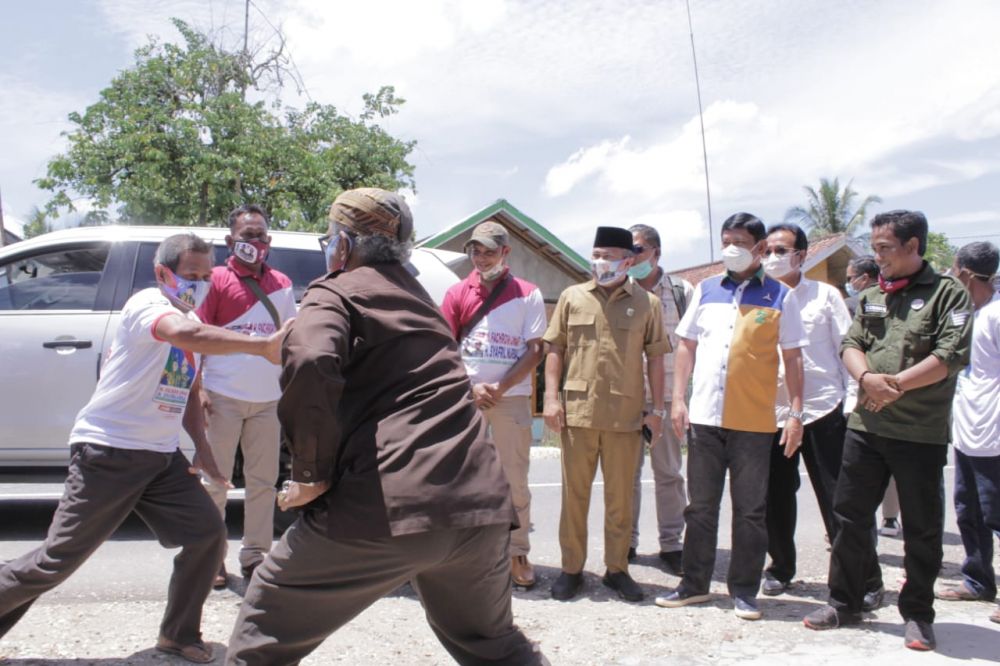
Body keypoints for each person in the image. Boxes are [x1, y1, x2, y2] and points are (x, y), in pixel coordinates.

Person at [225, 188, 546, 666]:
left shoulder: (334, 290)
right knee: (492, 646)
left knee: (267, 615)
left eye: (330, 238)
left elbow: (310, 358)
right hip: (480, 509)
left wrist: (310, 475)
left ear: (343, 244)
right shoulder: (424, 303)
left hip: (390, 505)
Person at [0, 233, 287, 664]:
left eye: (207, 275)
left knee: (207, 534)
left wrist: (203, 449)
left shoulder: (188, 317)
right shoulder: (149, 305)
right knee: (56, 561)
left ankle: (178, 635)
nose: (201, 283)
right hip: (109, 452)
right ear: (162, 273)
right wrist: (261, 346)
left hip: (160, 456)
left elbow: (187, 390)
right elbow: (184, 332)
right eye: (191, 275)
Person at [803, 210, 973, 652]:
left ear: (913, 246)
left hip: (918, 431)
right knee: (848, 517)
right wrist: (866, 380)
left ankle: (917, 614)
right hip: (867, 424)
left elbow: (950, 354)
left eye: (884, 249)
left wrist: (893, 386)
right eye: (874, 249)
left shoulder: (947, 295)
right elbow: (851, 343)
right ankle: (844, 602)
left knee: (921, 526)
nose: (877, 258)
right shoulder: (875, 294)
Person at [655, 212, 806, 621]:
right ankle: (694, 585)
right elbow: (685, 345)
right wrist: (678, 400)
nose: (730, 249)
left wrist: (795, 413)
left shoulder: (779, 296)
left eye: (739, 241)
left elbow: (792, 359)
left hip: (754, 422)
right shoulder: (706, 290)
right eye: (726, 241)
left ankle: (744, 590)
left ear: (759, 248)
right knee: (700, 507)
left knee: (750, 510)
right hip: (704, 416)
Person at [543, 226, 669, 603]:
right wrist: (551, 398)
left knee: (620, 499)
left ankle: (617, 570)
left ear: (629, 261)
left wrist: (657, 409)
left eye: (610, 255)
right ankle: (571, 569)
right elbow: (555, 350)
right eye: (596, 254)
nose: (601, 262)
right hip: (577, 413)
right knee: (574, 497)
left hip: (625, 416)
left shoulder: (648, 304)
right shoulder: (572, 297)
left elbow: (657, 359)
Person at [440, 221, 547, 589]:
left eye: (488, 251)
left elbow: (535, 351)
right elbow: (444, 348)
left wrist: (499, 387)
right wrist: (470, 388)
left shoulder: (528, 293)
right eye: (475, 251)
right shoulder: (457, 293)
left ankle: (517, 552)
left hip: (510, 400)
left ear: (505, 252)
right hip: (466, 401)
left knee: (513, 482)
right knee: (461, 480)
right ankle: (463, 556)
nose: (480, 258)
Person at [198, 204, 297, 587]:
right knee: (214, 481)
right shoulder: (216, 280)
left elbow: (288, 339)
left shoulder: (283, 283)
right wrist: (201, 388)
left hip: (268, 399)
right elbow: (197, 336)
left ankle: (256, 555)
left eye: (259, 235)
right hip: (221, 395)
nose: (253, 242)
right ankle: (210, 558)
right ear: (230, 241)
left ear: (269, 241)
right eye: (246, 236)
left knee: (264, 482)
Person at [759, 223, 852, 596]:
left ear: (801, 255)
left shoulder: (825, 296)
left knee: (838, 498)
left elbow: (848, 348)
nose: (772, 258)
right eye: (767, 250)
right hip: (773, 412)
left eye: (782, 250)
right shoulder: (758, 298)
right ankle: (780, 567)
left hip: (823, 409)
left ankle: (857, 575)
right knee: (776, 497)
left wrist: (852, 403)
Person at [934, 241, 1000, 625]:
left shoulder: (995, 315)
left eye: (953, 269)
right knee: (968, 509)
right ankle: (977, 580)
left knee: (996, 513)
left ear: (964, 273)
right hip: (968, 429)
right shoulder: (967, 315)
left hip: (993, 429)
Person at [627, 223, 693, 575]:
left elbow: (692, 343)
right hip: (627, 398)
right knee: (627, 474)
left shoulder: (682, 290)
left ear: (656, 252)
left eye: (637, 249)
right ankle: (627, 542)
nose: (631, 257)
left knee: (668, 472)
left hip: (667, 398)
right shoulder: (619, 289)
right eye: (629, 251)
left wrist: (681, 398)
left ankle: (672, 544)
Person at [846, 255, 901, 537]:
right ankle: (888, 519)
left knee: (868, 472)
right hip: (866, 391)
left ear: (863, 277)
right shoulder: (864, 302)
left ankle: (881, 521)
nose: (849, 284)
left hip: (879, 395)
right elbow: (850, 344)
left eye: (851, 277)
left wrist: (878, 384)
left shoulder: (856, 304)